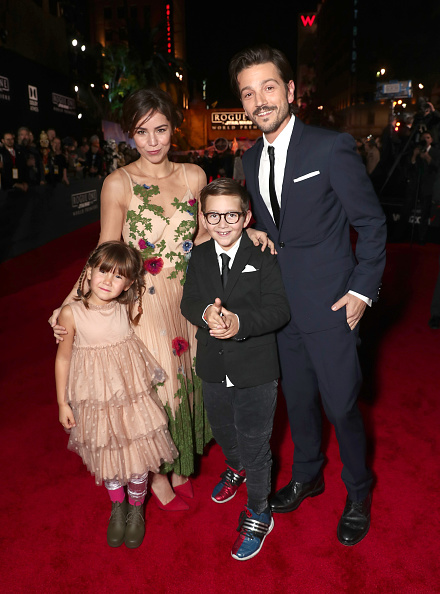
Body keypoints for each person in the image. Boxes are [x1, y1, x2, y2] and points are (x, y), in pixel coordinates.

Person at [50, 88, 269, 509]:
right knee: (160, 388)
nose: (152, 141)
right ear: (131, 135)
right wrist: (70, 301)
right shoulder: (119, 182)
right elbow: (105, 249)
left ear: (174, 128)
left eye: (161, 129)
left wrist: (245, 232)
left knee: (192, 381)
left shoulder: (194, 177)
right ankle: (158, 475)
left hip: (191, 296)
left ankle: (184, 462)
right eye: (141, 131)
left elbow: (206, 237)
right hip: (143, 301)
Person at [228, 44, 387, 546]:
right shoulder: (247, 161)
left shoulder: (330, 147)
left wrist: (363, 289)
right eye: (248, 94)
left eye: (269, 87)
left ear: (290, 90)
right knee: (297, 403)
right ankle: (309, 475)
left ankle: (358, 489)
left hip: (332, 304)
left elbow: (372, 223)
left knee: (341, 404)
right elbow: (259, 226)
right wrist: (251, 235)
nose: (260, 101)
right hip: (280, 309)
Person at [181, 178, 290, 560]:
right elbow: (189, 301)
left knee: (256, 442)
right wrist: (206, 312)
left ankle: (260, 510)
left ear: (246, 217)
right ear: (204, 217)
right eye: (214, 215)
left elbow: (279, 309)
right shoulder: (198, 255)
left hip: (256, 366)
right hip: (212, 364)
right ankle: (235, 466)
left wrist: (239, 323)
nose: (223, 223)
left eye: (231, 214)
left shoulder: (264, 255)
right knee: (224, 430)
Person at [55, 241, 178, 548]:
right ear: (89, 272)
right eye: (102, 271)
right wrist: (61, 402)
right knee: (107, 456)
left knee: (138, 457)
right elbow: (63, 359)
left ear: (129, 283)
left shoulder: (127, 306)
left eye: (119, 276)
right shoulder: (71, 314)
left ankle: (136, 509)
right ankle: (117, 505)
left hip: (130, 398)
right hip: (95, 401)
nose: (108, 280)